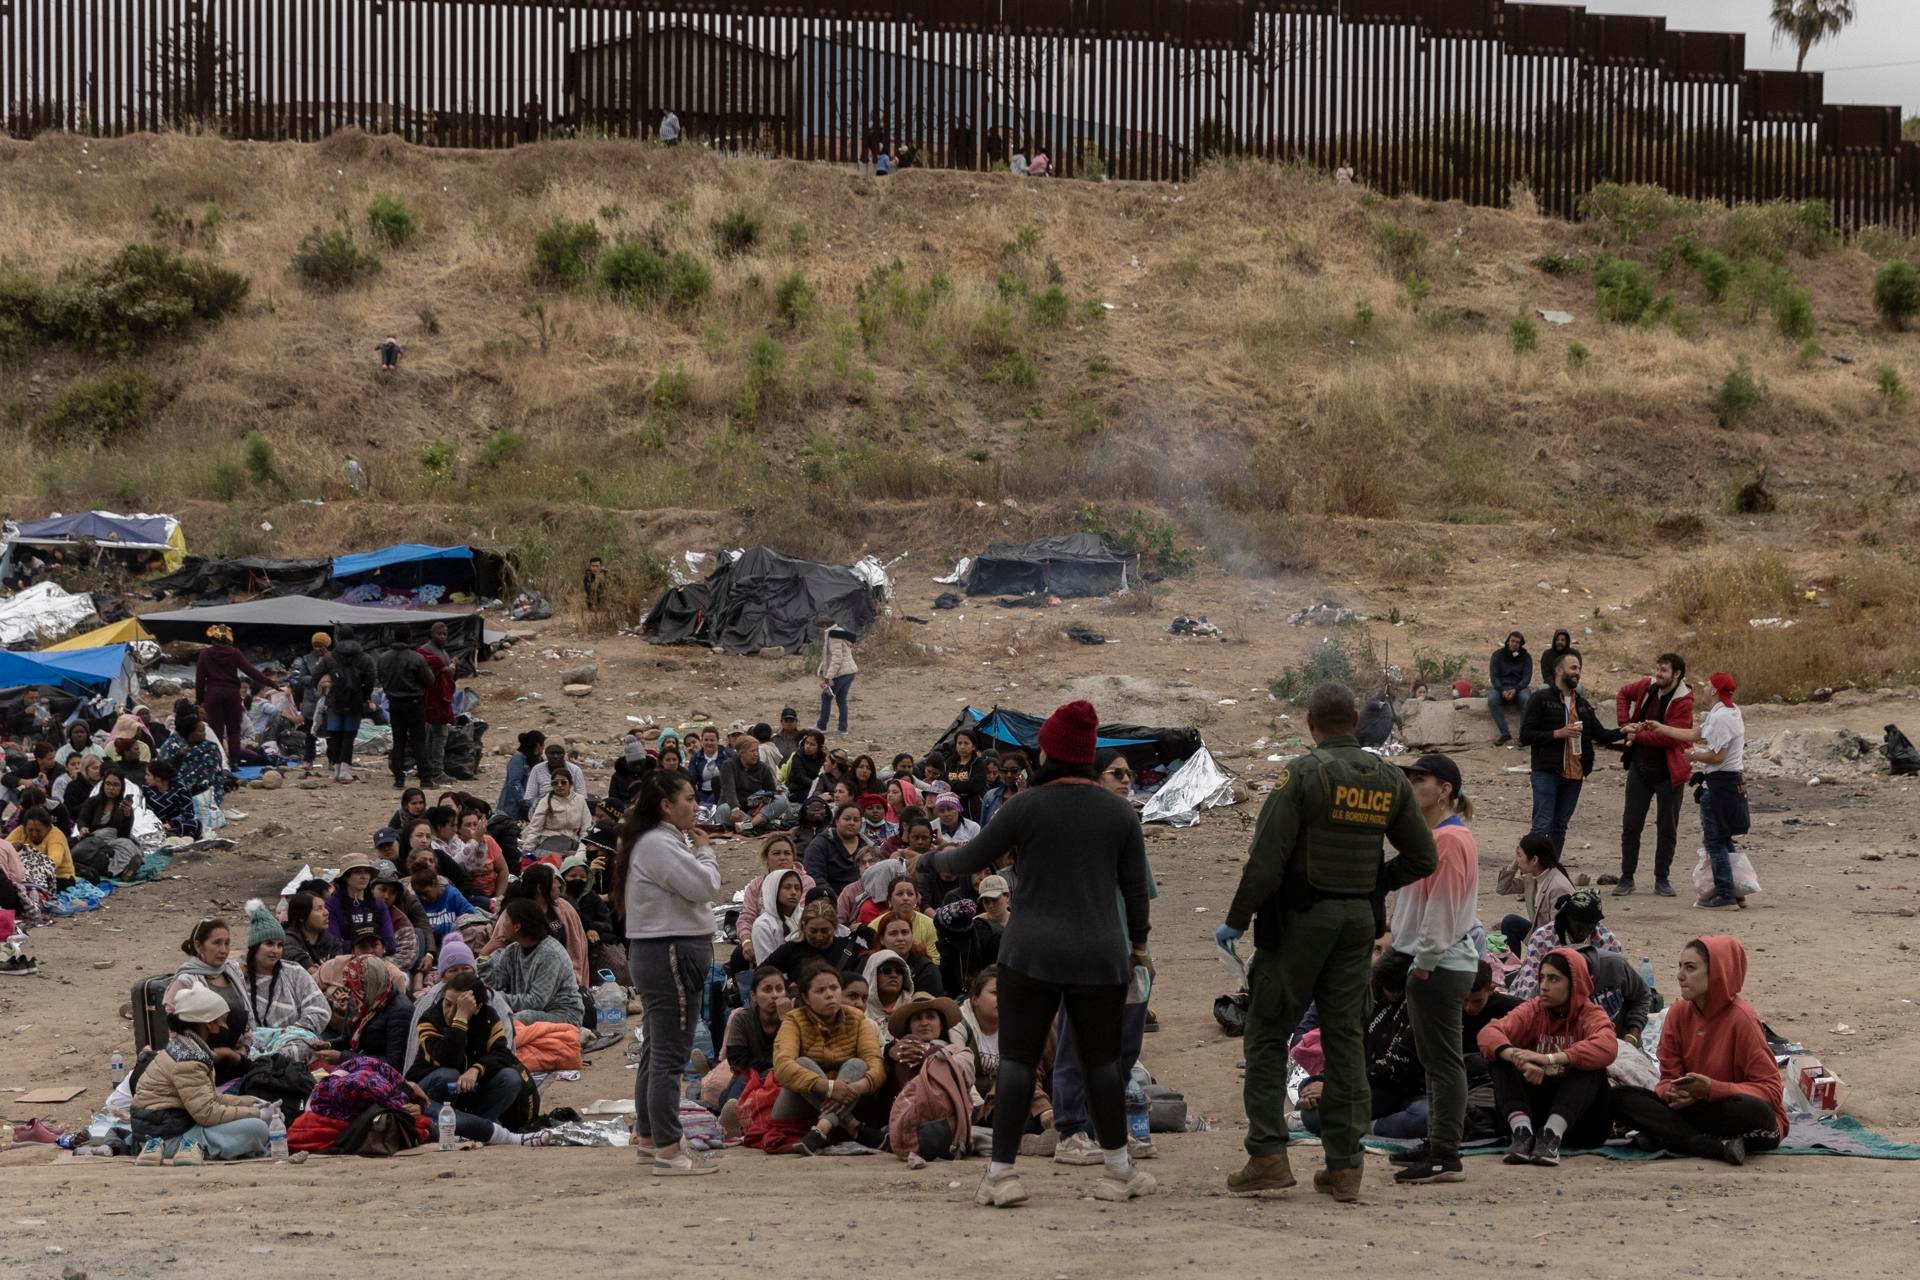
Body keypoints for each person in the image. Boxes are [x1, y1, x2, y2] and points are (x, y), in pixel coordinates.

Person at [926, 700, 1154, 1208]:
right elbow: (1136, 891)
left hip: (1030, 953)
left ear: (1049, 752)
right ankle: (1119, 1170)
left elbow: (969, 858)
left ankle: (1002, 1175)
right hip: (1100, 953)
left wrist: (927, 861)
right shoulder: (1119, 812)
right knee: (1102, 1063)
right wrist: (1138, 946)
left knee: (1018, 1062)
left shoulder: (1024, 806)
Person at [1217, 681, 1437, 1202]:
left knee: (1267, 1033)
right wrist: (1373, 885)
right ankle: (1344, 1166)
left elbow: (1266, 860)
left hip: (1300, 921)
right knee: (1345, 1039)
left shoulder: (1302, 774)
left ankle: (1268, 1155)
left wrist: (1236, 920)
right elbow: (1423, 857)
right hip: (1357, 923)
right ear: (1356, 721)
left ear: (1311, 723)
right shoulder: (1388, 778)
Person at [613, 770, 722, 1176]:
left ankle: (649, 1137)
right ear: (665, 805)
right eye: (689, 798)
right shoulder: (658, 843)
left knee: (656, 1048)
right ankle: (669, 1148)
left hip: (662, 951)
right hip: (670, 952)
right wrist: (706, 852)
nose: (695, 806)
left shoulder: (657, 840)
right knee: (670, 1054)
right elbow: (704, 886)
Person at [1387, 754, 1481, 1185]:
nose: (1411, 786)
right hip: (1431, 961)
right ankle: (1437, 1141)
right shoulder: (1434, 837)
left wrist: (1423, 963)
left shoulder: (1450, 841)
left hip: (1440, 965)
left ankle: (1445, 1154)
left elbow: (1442, 909)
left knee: (1443, 1062)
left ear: (1445, 790)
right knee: (1435, 1061)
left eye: (1420, 779)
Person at [1611, 936, 1786, 1164]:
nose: (1680, 975)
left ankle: (1675, 1138)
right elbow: (1667, 1079)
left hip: (1732, 1112)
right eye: (1680, 967)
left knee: (1755, 1111)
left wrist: (1711, 1089)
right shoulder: (1677, 1014)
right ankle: (1710, 1146)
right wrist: (1673, 1093)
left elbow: (1772, 1091)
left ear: (1717, 973)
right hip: (1695, 1110)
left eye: (1690, 968)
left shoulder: (1743, 1019)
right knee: (1620, 1097)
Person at [1480, 948, 1618, 1165]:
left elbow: (1608, 1046)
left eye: (1554, 979)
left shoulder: (1591, 1014)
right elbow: (1488, 1033)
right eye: (1542, 978)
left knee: (1590, 1063)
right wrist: (1519, 1059)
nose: (1544, 986)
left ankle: (1552, 1135)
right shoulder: (1534, 1010)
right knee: (1500, 1054)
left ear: (1575, 984)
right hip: (1536, 1115)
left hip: (1581, 1124)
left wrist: (1550, 1059)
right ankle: (1522, 1133)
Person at [409, 940, 546, 1146]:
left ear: (477, 1007)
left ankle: (477, 1126)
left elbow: (504, 1054)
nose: (449, 1012)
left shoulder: (488, 1015)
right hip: (431, 1091)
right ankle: (463, 1129)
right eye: (447, 1004)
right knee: (448, 1075)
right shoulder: (430, 1018)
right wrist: (460, 1019)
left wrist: (476, 1069)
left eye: (459, 1006)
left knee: (510, 1077)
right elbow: (448, 1058)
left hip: (469, 1088)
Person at [129, 979, 272, 1165]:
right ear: (208, 1024)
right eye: (222, 1022)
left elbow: (208, 1098)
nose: (225, 1028)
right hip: (168, 1137)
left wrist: (251, 1103)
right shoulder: (188, 1060)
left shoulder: (186, 1048)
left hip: (170, 1125)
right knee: (257, 1129)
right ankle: (190, 1149)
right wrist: (255, 1114)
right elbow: (207, 1113)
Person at [1299, 949, 1427, 1141]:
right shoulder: (1364, 999)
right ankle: (1362, 1124)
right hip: (1366, 1087)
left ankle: (1368, 1127)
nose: (1392, 994)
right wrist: (1321, 1085)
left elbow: (1394, 1066)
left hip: (1410, 1090)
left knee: (1426, 1118)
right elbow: (1344, 1052)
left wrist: (1336, 1087)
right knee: (1313, 1110)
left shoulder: (1420, 1008)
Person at [1518, 654, 1625, 857]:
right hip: (1547, 771)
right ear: (1559, 670)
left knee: (1559, 826)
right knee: (1542, 825)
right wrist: (1558, 733)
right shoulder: (1541, 699)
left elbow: (1601, 735)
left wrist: (1625, 731)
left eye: (1579, 668)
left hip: (1575, 774)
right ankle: (1529, 867)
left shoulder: (1583, 704)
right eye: (1573, 668)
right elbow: (1525, 736)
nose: (1577, 672)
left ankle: (1551, 868)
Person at [772, 962, 885, 1154]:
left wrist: (855, 1088)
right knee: (802, 1063)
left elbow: (876, 1064)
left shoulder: (857, 1019)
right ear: (806, 998)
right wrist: (829, 1087)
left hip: (850, 1098)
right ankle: (853, 1126)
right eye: (820, 990)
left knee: (857, 1064)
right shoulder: (794, 1020)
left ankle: (821, 1129)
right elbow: (782, 1065)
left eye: (834, 988)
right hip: (801, 1103)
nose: (830, 994)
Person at [1611, 653, 1694, 898]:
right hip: (1640, 766)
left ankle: (1662, 878)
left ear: (1677, 674)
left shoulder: (1683, 701)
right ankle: (1627, 877)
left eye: (1664, 670)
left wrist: (1636, 735)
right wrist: (1625, 723)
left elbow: (1670, 737)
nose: (1659, 674)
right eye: (1658, 668)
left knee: (1667, 827)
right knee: (1631, 823)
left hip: (1669, 771)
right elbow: (1622, 694)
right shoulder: (1647, 686)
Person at [1683, 672, 1748, 910]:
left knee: (1715, 841)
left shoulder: (1721, 717)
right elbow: (1695, 734)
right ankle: (1736, 890)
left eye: (1708, 685)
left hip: (1720, 785)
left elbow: (1718, 756)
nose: (1704, 687)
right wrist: (1660, 729)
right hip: (1731, 784)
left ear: (1714, 690)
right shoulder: (1730, 712)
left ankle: (1725, 894)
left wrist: (1693, 755)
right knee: (1724, 839)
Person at [241, 901, 330, 1056]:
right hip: (250, 1043)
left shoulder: (294, 972)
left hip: (292, 1040)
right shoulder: (238, 975)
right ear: (255, 946)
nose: (275, 950)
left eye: (280, 945)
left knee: (302, 1047)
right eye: (269, 944)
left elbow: (320, 1009)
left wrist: (290, 1032)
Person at [482, 898, 585, 1025]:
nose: (502, 924)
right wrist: (483, 956)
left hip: (563, 1014)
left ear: (517, 927)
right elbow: (494, 985)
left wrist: (495, 998)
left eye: (506, 920)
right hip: (531, 1011)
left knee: (516, 1020)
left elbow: (536, 1001)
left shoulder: (550, 954)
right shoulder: (512, 950)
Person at [1509, 887, 1624, 1000]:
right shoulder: (1542, 938)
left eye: (1589, 926)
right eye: (1578, 926)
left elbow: (1617, 984)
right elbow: (1530, 982)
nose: (1583, 932)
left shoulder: (1608, 942)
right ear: (1567, 919)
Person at [173, 917, 251, 1080]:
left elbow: (247, 1022)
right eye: (216, 943)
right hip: (205, 1059)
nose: (223, 950)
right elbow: (177, 1033)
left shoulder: (232, 971)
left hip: (241, 1050)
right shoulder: (186, 981)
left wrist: (243, 1050)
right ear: (198, 945)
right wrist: (214, 1054)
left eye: (227, 943)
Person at [716, 965, 791, 1133]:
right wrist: (769, 1069)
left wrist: (788, 1022)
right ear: (753, 996)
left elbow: (796, 1055)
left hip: (782, 1077)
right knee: (738, 1084)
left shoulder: (793, 1019)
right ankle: (732, 1119)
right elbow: (737, 1060)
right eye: (767, 990)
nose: (775, 995)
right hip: (751, 1075)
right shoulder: (742, 1018)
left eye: (779, 989)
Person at [195, 625, 279, 764]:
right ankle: (234, 762)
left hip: (213, 695)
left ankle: (220, 762)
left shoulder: (205, 654)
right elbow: (251, 671)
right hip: (232, 695)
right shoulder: (235, 653)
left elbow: (200, 679)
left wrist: (200, 700)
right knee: (234, 731)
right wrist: (271, 683)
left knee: (216, 731)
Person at [322, 953, 415, 1070]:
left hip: (382, 1074)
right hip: (358, 1063)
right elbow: (347, 1039)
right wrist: (329, 1045)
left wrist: (343, 1058)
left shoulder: (400, 1011)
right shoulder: (359, 1001)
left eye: (358, 988)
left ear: (371, 985)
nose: (352, 993)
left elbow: (393, 1062)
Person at [317, 624, 379, 783]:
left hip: (334, 700)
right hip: (355, 700)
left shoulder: (329, 657)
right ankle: (344, 771)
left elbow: (315, 676)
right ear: (354, 637)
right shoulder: (365, 658)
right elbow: (371, 678)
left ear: (338, 638)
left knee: (335, 735)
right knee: (349, 736)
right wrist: (365, 696)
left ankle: (336, 770)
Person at [1495, 833, 1574, 948]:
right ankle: (1513, 961)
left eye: (1520, 856)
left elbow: (1560, 932)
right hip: (1540, 933)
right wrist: (1514, 865)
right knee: (1510, 922)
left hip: (1554, 942)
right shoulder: (1532, 876)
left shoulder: (1558, 887)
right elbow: (1502, 888)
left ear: (1535, 860)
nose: (1517, 860)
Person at [735, 832, 813, 943]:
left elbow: (801, 915)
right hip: (762, 935)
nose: (783, 858)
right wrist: (746, 941)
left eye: (787, 853)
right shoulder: (756, 885)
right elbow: (746, 917)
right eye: (776, 853)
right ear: (766, 858)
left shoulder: (805, 882)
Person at [764, 896, 862, 982]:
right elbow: (761, 974)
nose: (819, 937)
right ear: (803, 927)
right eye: (813, 931)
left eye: (825, 931)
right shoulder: (791, 949)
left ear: (835, 927)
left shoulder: (850, 949)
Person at [382, 643, 435, 789]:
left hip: (394, 703)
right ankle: (425, 779)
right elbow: (429, 680)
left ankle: (399, 779)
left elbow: (381, 677)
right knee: (418, 741)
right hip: (414, 703)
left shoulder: (384, 658)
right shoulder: (417, 658)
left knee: (398, 741)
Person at [327, 853, 397, 954]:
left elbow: (390, 943)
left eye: (367, 872)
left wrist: (362, 947)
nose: (364, 877)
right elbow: (334, 945)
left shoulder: (379, 904)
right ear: (346, 877)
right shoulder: (332, 905)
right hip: (346, 960)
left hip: (379, 958)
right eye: (358, 872)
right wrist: (370, 947)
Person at [408, 848, 478, 943]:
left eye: (425, 893)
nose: (423, 897)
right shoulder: (415, 900)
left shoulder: (452, 894)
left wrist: (450, 927)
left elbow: (473, 916)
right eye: (419, 894)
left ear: (434, 883)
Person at [288, 632, 333, 773]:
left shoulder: (333, 658)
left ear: (327, 645)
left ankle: (333, 759)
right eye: (315, 646)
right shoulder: (307, 659)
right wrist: (316, 680)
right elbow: (302, 678)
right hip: (311, 700)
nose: (318, 648)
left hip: (328, 699)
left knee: (330, 732)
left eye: (321, 646)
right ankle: (309, 759)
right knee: (310, 733)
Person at [804, 802, 868, 898]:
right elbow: (815, 876)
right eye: (847, 819)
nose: (852, 823)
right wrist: (835, 899)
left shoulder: (867, 846)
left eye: (856, 820)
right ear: (837, 821)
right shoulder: (820, 844)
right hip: (828, 898)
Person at [420, 625, 457, 785]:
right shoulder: (425, 651)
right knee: (438, 736)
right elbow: (426, 673)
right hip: (432, 700)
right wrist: (446, 669)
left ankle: (431, 768)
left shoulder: (442, 651)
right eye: (439, 634)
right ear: (431, 634)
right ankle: (436, 771)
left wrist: (450, 668)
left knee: (436, 735)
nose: (442, 636)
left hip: (441, 700)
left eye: (445, 634)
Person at [750, 866, 807, 968]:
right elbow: (766, 966)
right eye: (787, 887)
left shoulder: (806, 916)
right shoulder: (763, 924)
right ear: (774, 890)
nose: (793, 892)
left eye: (797, 888)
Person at [1487, 631, 1533, 746]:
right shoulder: (1497, 655)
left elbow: (1526, 678)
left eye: (1517, 642)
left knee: (1527, 699)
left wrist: (1516, 689)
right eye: (1512, 641)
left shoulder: (1526, 657)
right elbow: (1494, 677)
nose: (1514, 644)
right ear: (1508, 642)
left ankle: (1523, 735)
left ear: (1520, 644)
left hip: (1519, 688)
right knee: (1492, 699)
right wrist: (1502, 690)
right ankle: (1505, 733)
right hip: (1501, 687)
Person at [816, 614, 858, 734]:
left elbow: (837, 659)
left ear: (824, 626)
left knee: (826, 696)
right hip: (850, 671)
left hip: (842, 673)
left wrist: (828, 677)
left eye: (819, 628)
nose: (819, 631)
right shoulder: (838, 631)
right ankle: (842, 728)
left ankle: (821, 726)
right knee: (841, 699)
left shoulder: (833, 636)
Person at [282, 890, 345, 970]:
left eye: (324, 907)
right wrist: (309, 967)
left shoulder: (331, 941)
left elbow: (338, 967)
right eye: (319, 909)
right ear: (302, 916)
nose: (326, 912)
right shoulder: (287, 941)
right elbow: (292, 955)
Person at [525, 768, 590, 846]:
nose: (559, 785)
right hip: (548, 842)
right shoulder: (545, 801)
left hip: (572, 842)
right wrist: (528, 848)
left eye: (563, 782)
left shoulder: (580, 800)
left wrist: (583, 847)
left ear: (570, 784)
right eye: (555, 783)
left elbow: (586, 827)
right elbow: (535, 828)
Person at [143, 759, 201, 838]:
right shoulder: (145, 791)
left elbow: (188, 813)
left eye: (148, 775)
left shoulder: (180, 789)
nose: (145, 777)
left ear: (158, 778)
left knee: (195, 824)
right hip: (154, 825)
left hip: (175, 825)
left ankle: (169, 834)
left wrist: (171, 823)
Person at [942, 729, 990, 821]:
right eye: (959, 743)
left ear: (973, 746)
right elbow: (943, 782)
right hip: (951, 808)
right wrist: (961, 786)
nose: (962, 747)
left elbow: (975, 786)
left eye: (966, 743)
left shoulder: (979, 764)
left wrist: (952, 786)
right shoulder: (950, 763)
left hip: (973, 810)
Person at [522, 742, 586, 810]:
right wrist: (542, 807)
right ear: (546, 755)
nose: (555, 756)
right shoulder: (537, 769)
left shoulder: (575, 770)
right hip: (543, 808)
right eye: (552, 753)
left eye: (559, 753)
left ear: (564, 755)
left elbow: (582, 797)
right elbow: (529, 797)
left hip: (569, 808)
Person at [499, 730, 545, 821]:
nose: (543, 748)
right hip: (512, 808)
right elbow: (514, 783)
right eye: (543, 745)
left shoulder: (535, 759)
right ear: (538, 745)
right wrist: (526, 801)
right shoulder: (518, 758)